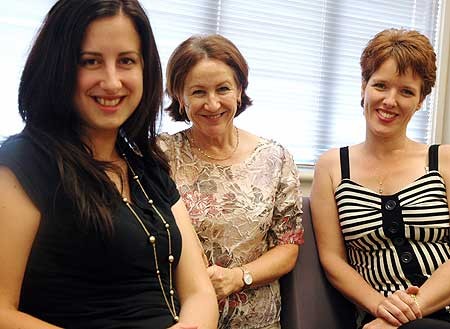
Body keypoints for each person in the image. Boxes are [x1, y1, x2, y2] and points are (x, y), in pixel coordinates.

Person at [0, 1, 219, 328]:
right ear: (57, 67)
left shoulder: (148, 167)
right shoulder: (21, 165)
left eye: (127, 61)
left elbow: (200, 291)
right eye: (91, 61)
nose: (113, 82)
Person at [157, 34, 304, 329]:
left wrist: (238, 277)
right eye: (198, 92)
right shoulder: (159, 155)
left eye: (223, 89)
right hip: (176, 315)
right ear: (179, 96)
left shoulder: (275, 158)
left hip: (255, 318)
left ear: (239, 90)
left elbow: (288, 248)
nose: (212, 104)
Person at [310, 28, 450, 329]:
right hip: (376, 316)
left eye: (406, 91)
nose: (390, 100)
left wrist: (407, 311)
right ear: (364, 87)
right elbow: (333, 261)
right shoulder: (333, 166)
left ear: (421, 100)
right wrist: (381, 308)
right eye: (381, 85)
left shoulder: (444, 160)